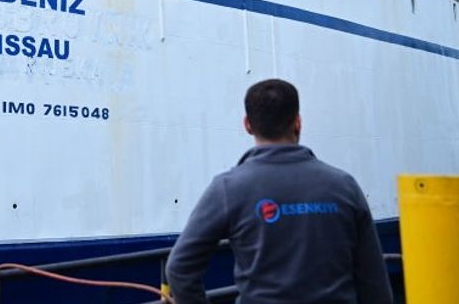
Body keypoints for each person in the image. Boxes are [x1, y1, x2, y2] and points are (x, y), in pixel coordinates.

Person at [166, 79, 392, 304]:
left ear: (247, 125)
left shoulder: (228, 188)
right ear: (298, 122)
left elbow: (179, 268)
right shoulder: (344, 185)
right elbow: (375, 284)